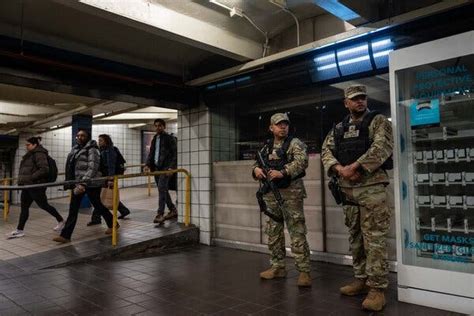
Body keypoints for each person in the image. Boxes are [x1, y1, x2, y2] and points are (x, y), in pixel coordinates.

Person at [321, 84, 393, 311]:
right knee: (355, 236)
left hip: (371, 188)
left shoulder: (378, 121)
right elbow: (326, 151)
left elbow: (383, 146)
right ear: (346, 103)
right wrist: (338, 169)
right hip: (348, 190)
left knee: (375, 239)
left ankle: (377, 289)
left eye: (362, 98)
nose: (359, 102)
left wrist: (356, 167)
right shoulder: (340, 128)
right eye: (354, 99)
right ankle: (361, 278)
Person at [252, 113, 312, 287]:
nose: (283, 127)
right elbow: (256, 163)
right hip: (270, 195)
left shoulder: (295, 143)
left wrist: (283, 172)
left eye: (285, 124)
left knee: (297, 232)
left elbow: (302, 162)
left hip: (291, 195)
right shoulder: (266, 147)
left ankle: (304, 271)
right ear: (271, 128)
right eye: (279, 125)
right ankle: (278, 267)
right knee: (273, 232)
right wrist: (256, 170)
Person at [53, 129, 116, 243]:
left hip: (90, 183)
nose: (79, 137)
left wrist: (83, 183)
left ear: (87, 137)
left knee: (95, 205)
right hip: (78, 183)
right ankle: (66, 236)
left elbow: (93, 167)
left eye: (83, 135)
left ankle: (66, 235)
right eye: (78, 135)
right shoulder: (76, 149)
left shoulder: (92, 149)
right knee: (77, 208)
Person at [7, 136, 64, 239]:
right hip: (27, 186)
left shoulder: (39, 154)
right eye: (26, 145)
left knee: (44, 205)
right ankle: (20, 230)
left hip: (36, 186)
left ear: (35, 145)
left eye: (28, 145)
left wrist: (30, 178)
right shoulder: (30, 155)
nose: (26, 146)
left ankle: (61, 220)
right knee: (24, 208)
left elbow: (44, 169)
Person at [88, 134, 130, 225]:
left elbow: (111, 165)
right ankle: (124, 210)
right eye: (99, 140)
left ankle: (96, 218)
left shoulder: (109, 150)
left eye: (101, 140)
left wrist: (111, 178)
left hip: (108, 177)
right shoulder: (102, 150)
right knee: (105, 196)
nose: (99, 142)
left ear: (106, 141)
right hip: (105, 177)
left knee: (101, 197)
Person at [144, 119, 178, 224]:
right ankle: (172, 209)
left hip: (165, 168)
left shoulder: (169, 138)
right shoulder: (155, 139)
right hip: (156, 169)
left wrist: (171, 168)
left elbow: (175, 154)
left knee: (161, 189)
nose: (158, 127)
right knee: (163, 189)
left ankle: (160, 214)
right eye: (156, 126)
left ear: (164, 126)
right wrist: (147, 165)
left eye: (160, 126)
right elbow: (151, 153)